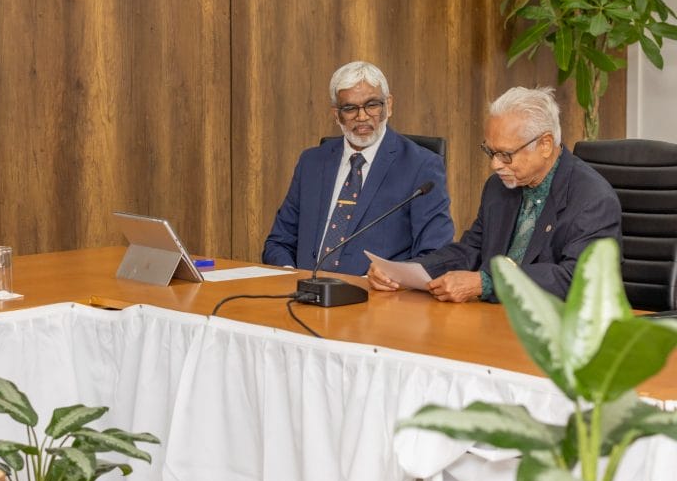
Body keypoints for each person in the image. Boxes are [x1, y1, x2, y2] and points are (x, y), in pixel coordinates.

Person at [368, 86, 621, 302]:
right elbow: (471, 250)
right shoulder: (498, 188)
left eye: (505, 154)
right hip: (494, 318)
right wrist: (404, 272)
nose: (495, 165)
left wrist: (487, 283)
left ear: (545, 144)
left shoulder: (592, 198)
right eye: (490, 152)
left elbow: (577, 279)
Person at [262, 61, 453, 275]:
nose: (362, 117)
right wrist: (290, 276)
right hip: (305, 289)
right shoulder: (311, 162)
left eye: (372, 105)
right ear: (336, 114)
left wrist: (386, 280)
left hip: (376, 293)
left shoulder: (421, 166)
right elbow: (279, 242)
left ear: (388, 105)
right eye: (350, 108)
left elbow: (435, 254)